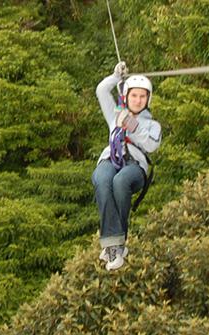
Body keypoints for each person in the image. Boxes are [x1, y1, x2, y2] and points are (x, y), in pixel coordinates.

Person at [92, 62, 160, 271]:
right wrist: (115, 76)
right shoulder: (115, 115)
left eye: (142, 96)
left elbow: (152, 145)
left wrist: (134, 126)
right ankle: (113, 245)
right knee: (102, 179)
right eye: (134, 96)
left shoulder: (152, 125)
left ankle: (117, 245)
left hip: (135, 166)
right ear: (126, 96)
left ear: (148, 99)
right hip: (111, 159)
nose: (138, 100)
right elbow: (101, 90)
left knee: (120, 182)